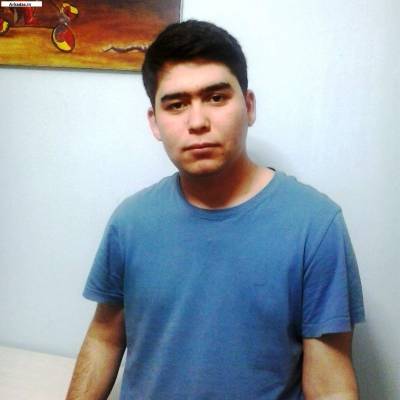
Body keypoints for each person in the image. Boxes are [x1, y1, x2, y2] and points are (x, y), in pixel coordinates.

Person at [66, 20, 365, 400]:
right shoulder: (130, 221)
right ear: (154, 122)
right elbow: (105, 338)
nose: (197, 122)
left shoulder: (315, 226)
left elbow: (330, 383)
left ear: (249, 106)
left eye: (216, 98)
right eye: (176, 105)